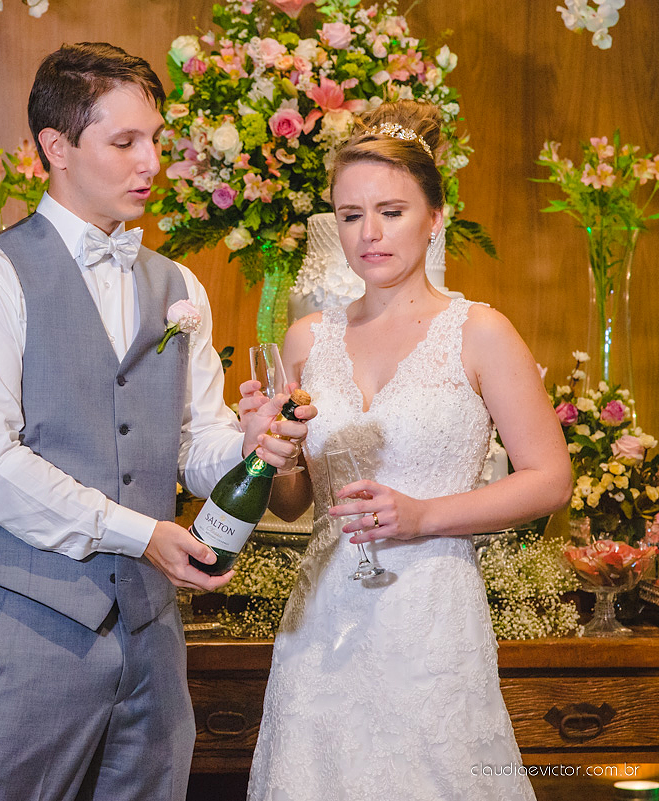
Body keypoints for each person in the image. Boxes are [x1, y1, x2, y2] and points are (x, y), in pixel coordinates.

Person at [0, 42, 310, 801]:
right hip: (26, 628)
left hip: (152, 635)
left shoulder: (179, 284)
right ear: (56, 146)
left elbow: (191, 445)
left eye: (155, 140)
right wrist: (141, 533)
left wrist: (250, 442)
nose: (152, 163)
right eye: (125, 142)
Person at [244, 99, 572, 800]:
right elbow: (295, 503)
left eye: (391, 211)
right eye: (351, 215)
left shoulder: (481, 332)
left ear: (435, 218)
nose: (370, 233)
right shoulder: (306, 340)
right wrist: (269, 451)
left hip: (430, 612)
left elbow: (550, 478)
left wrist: (424, 515)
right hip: (324, 614)